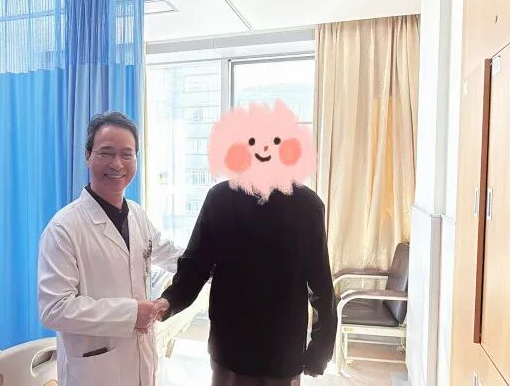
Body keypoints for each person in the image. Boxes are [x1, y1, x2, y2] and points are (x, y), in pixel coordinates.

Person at [152, 101, 335, 386]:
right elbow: (195, 265)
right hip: (230, 342)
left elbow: (321, 284)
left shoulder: (308, 206)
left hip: (283, 346)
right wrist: (170, 300)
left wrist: (320, 349)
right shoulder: (219, 199)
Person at [38, 112, 181, 386]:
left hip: (140, 361)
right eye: (106, 152)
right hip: (95, 372)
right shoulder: (63, 228)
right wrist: (130, 314)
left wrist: (215, 264)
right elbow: (54, 309)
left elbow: (170, 253)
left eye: (127, 154)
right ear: (87, 155)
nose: (117, 164)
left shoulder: (137, 215)